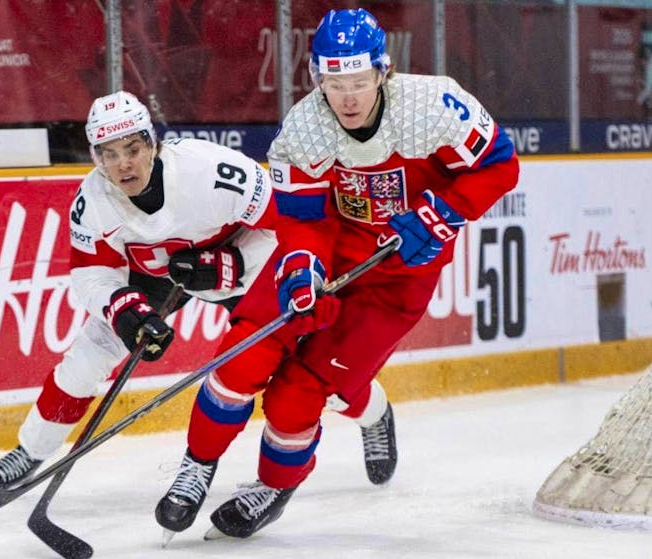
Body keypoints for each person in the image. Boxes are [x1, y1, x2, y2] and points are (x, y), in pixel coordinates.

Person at [156, 7, 519, 541]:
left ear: (383, 71)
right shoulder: (305, 129)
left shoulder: (434, 107)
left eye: (357, 82)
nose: (346, 97)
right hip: (333, 251)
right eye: (334, 82)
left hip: (398, 278)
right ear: (317, 77)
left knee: (297, 395)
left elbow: (500, 166)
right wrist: (303, 267)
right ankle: (197, 464)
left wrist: (442, 213)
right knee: (244, 356)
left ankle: (274, 486)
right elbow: (303, 221)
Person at [0, 90, 278, 496]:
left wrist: (235, 263)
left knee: (299, 350)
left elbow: (288, 228)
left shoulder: (213, 171)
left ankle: (369, 413)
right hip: (153, 275)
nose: (123, 164)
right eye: (108, 155)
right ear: (96, 158)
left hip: (232, 260)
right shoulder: (93, 200)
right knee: (90, 351)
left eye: (132, 148)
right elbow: (90, 272)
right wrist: (124, 309)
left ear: (153, 143)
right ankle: (30, 451)